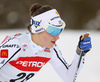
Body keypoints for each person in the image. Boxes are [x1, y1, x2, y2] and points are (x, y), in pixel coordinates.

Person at [0, 3, 92, 82]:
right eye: (54, 31)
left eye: (60, 30)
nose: (57, 37)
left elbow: (69, 78)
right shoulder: (17, 45)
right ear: (38, 28)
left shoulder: (51, 50)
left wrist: (80, 53)